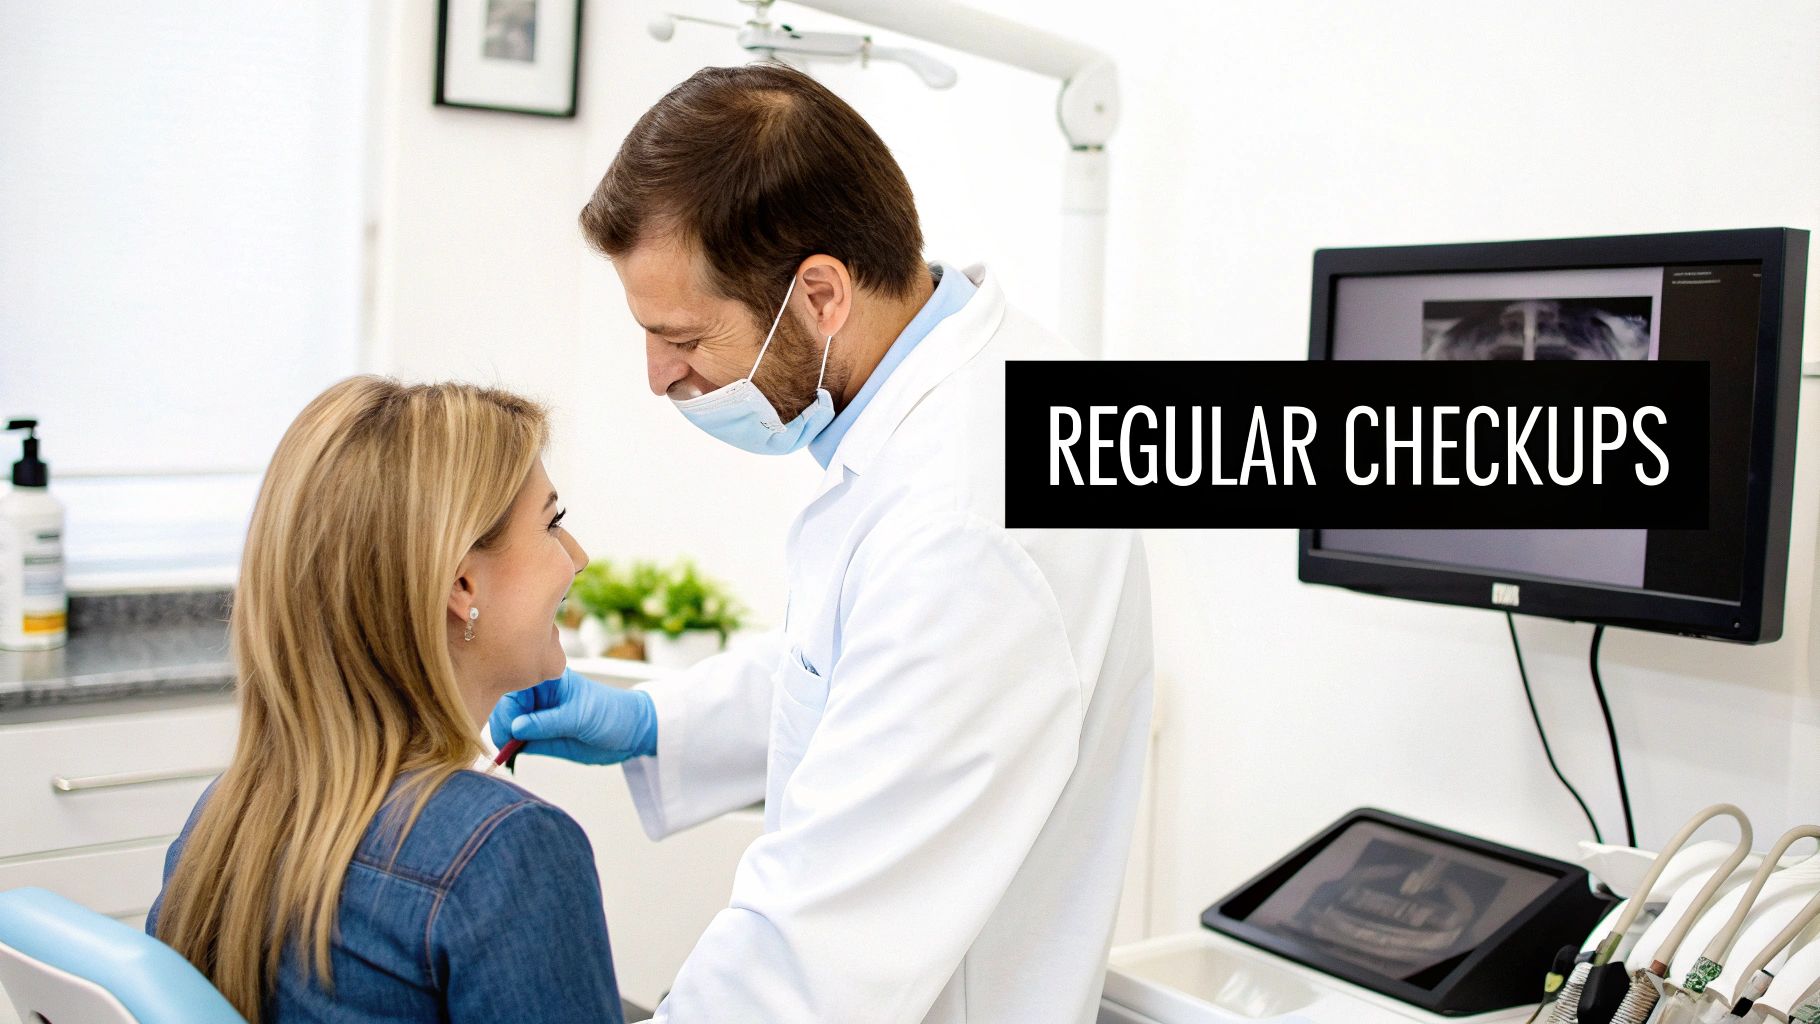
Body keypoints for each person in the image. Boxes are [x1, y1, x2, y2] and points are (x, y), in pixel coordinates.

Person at [493, 62, 1155, 1023]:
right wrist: (656, 724)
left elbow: (815, 954)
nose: (659, 376)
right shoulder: (949, 401)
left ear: (820, 294)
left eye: (682, 337)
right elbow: (859, 675)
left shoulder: (963, 526)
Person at [148, 376, 624, 1024]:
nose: (577, 558)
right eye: (553, 524)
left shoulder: (225, 818)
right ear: (461, 581)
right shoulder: (509, 851)